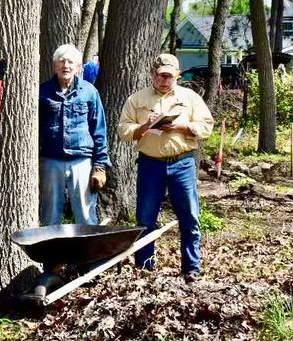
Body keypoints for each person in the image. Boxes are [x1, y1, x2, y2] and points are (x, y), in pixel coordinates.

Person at [118, 53, 214, 282]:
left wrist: (182, 126)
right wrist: (144, 127)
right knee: (145, 218)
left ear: (177, 76)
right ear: (153, 74)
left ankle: (191, 269)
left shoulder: (190, 98)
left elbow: (206, 127)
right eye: (161, 75)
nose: (165, 81)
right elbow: (123, 130)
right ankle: (144, 267)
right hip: (150, 164)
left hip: (182, 163)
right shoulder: (136, 99)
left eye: (170, 76)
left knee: (190, 217)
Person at [39, 44, 111, 226]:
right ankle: (51, 254)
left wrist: (100, 166)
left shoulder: (89, 92)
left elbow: (99, 130)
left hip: (82, 162)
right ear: (55, 65)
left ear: (78, 67)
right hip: (50, 161)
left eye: (71, 62)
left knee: (86, 216)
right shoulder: (42, 91)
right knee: (49, 216)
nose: (66, 66)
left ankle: (89, 255)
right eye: (61, 61)